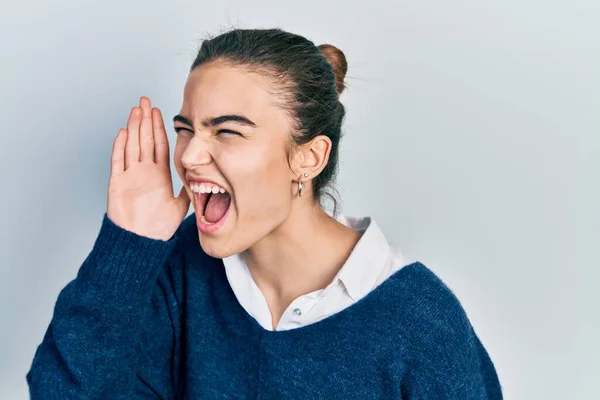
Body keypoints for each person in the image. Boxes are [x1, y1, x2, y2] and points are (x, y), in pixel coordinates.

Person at [26, 28, 503, 399]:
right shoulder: (181, 272)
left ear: (309, 158)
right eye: (186, 129)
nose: (189, 156)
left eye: (227, 132)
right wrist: (128, 245)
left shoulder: (421, 321)